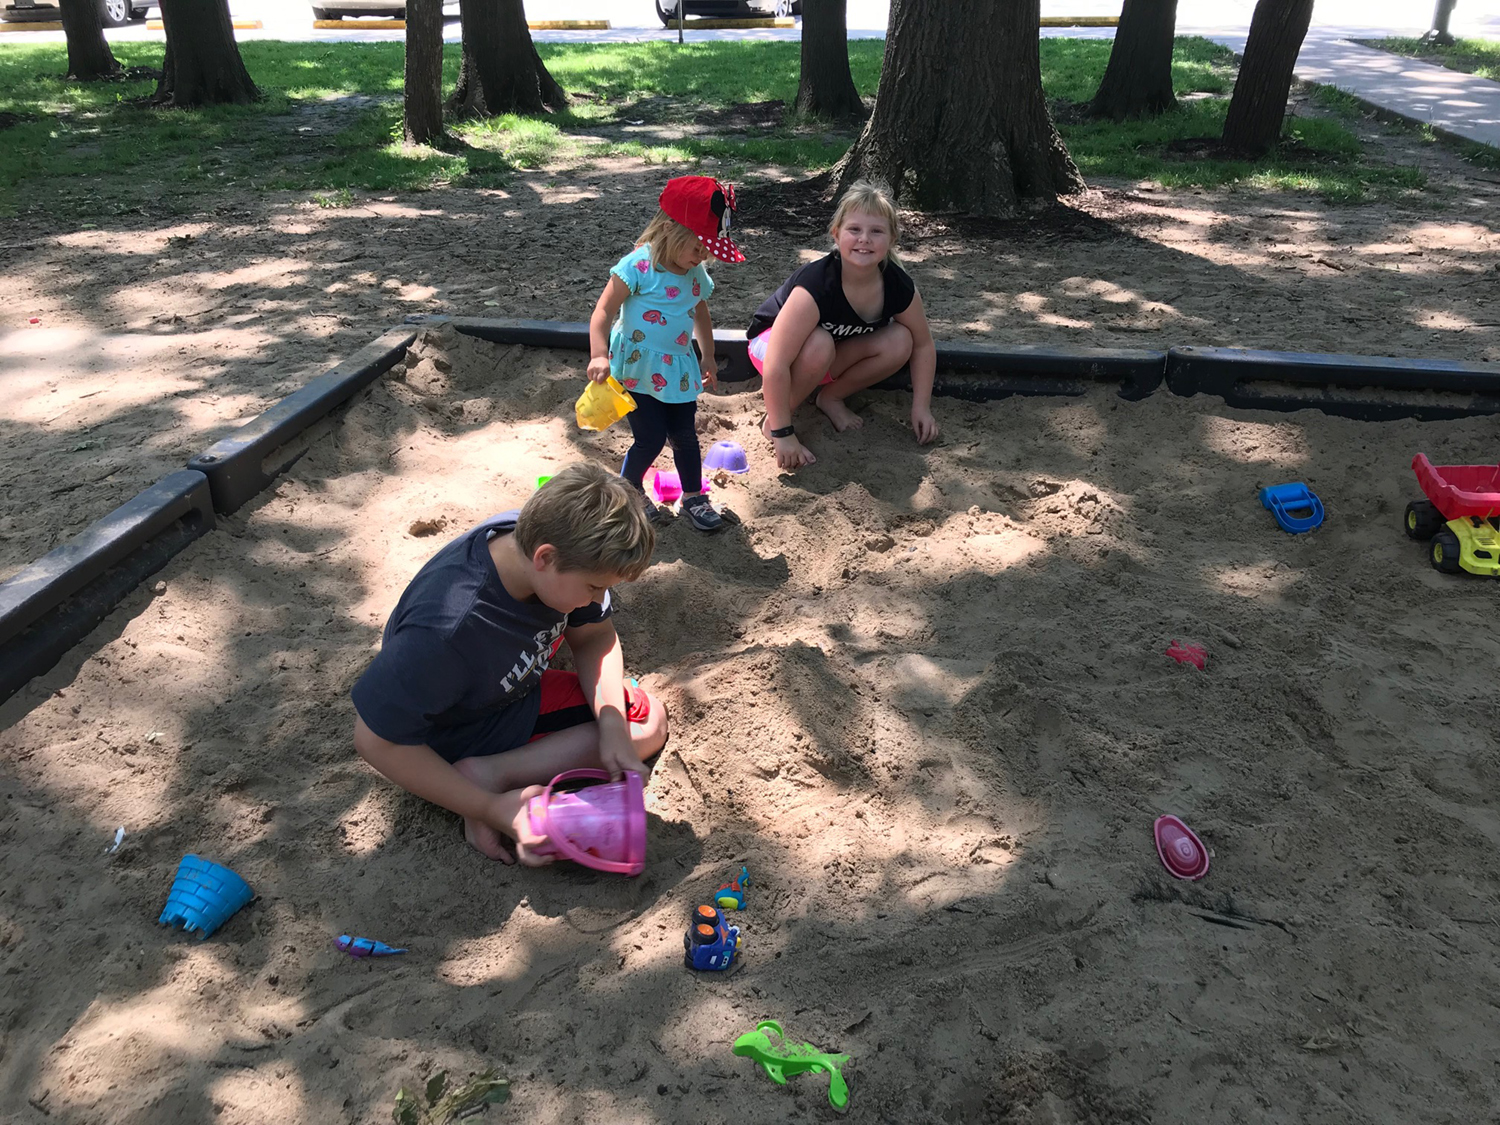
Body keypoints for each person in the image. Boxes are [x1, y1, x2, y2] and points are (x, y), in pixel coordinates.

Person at [349, 463, 668, 866]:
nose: (596, 599)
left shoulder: (536, 536)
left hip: (505, 688)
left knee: (626, 724)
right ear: (545, 558)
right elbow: (375, 738)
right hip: (450, 733)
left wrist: (610, 726)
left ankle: (494, 774)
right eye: (593, 587)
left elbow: (594, 637)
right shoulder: (449, 630)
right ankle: (486, 777)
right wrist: (489, 807)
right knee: (649, 723)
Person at [746, 179, 940, 471]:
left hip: (827, 352)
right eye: (854, 230)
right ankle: (775, 420)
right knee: (820, 343)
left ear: (892, 239)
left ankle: (831, 398)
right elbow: (776, 362)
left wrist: (921, 407)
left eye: (876, 231)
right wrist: (783, 434)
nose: (865, 239)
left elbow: (924, 345)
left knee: (902, 338)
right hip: (769, 346)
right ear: (836, 234)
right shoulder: (816, 285)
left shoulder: (898, 285)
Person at [587, 174, 745, 532]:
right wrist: (599, 354)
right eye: (698, 247)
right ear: (671, 230)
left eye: (708, 249)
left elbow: (700, 311)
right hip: (637, 366)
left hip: (678, 368)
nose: (703, 255)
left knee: (685, 434)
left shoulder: (695, 274)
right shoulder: (639, 266)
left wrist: (707, 356)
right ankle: (629, 491)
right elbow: (603, 312)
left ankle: (693, 496)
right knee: (651, 437)